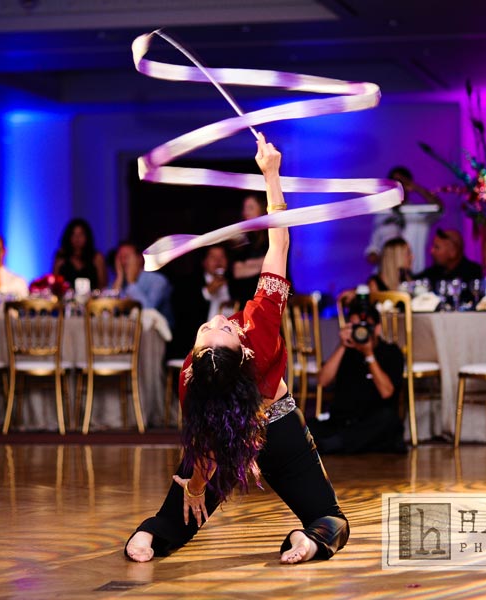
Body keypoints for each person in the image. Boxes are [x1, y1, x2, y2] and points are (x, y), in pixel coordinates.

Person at [125, 133, 349, 565]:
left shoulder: (192, 375)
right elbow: (279, 244)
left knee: (182, 510)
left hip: (236, 435)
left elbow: (205, 444)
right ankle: (308, 540)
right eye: (221, 328)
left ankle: (150, 538)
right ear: (242, 351)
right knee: (329, 518)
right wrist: (271, 173)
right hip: (269, 429)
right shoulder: (256, 333)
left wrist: (195, 486)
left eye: (210, 328)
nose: (217, 321)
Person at [308, 297, 406, 454]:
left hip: (371, 422)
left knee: (389, 421)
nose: (361, 331)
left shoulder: (391, 352)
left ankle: (333, 444)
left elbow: (387, 392)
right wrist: (342, 346)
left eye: (365, 327)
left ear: (377, 329)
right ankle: (337, 443)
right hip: (342, 421)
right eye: (355, 327)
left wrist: (369, 355)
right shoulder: (346, 351)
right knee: (303, 425)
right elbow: (323, 381)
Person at [365, 166, 442, 265]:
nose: (396, 187)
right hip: (387, 272)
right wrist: (381, 257)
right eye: (392, 183)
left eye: (401, 182)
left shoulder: (419, 212)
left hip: (414, 271)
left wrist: (417, 188)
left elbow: (439, 208)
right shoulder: (382, 214)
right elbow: (374, 247)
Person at [170, 245, 231, 358]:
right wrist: (207, 292)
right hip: (196, 345)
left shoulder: (235, 284)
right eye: (213, 257)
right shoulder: (189, 282)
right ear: (204, 262)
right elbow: (183, 312)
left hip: (228, 343)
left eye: (222, 257)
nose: (218, 261)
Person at [110, 240, 174, 327]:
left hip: (157, 332)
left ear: (139, 259)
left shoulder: (158, 280)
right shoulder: (118, 282)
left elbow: (148, 311)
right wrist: (119, 277)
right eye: (120, 258)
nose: (123, 262)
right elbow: (109, 310)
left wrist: (131, 283)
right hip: (129, 330)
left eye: (127, 257)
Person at [229, 194, 269, 306]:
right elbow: (237, 272)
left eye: (250, 208)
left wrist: (248, 264)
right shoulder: (241, 238)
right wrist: (261, 265)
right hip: (246, 296)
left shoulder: (271, 235)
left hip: (268, 293)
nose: (246, 212)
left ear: (262, 209)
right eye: (244, 208)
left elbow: (275, 263)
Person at [415, 228, 483, 288]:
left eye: (437, 247)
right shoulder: (434, 273)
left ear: (453, 252)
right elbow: (415, 282)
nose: (432, 251)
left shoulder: (474, 274)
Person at [52, 218, 108, 290]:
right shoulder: (62, 257)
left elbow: (103, 286)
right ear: (69, 237)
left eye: (81, 234)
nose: (77, 238)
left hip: (92, 296)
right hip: (67, 296)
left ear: (87, 236)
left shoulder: (96, 257)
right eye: (73, 234)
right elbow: (54, 285)